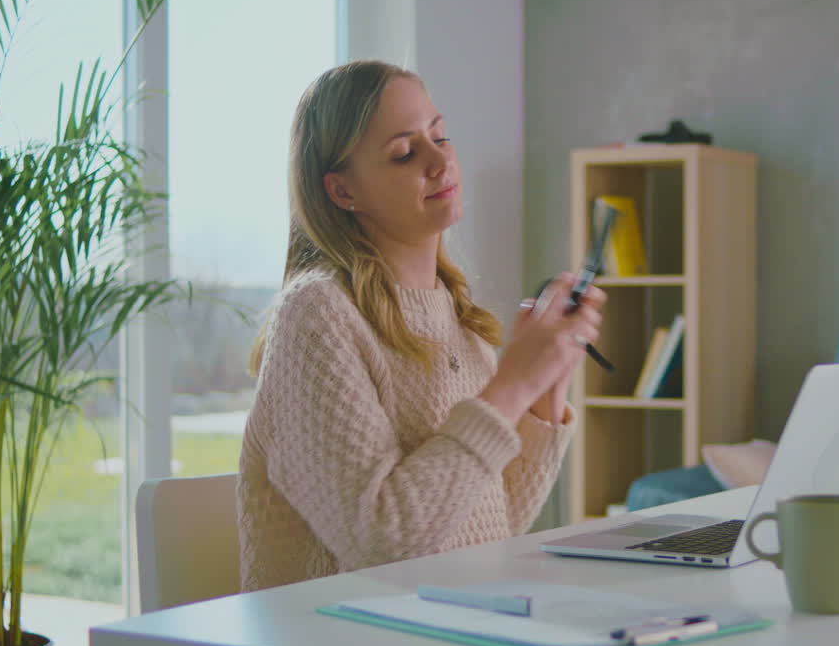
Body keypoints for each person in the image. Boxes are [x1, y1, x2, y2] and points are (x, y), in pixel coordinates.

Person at [237, 60, 604, 592]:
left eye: (440, 135)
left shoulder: (457, 314)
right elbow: (381, 541)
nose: (441, 160)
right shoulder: (317, 315)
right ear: (343, 192)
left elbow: (484, 523)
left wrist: (547, 384)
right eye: (405, 153)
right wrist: (513, 384)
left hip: (441, 626)